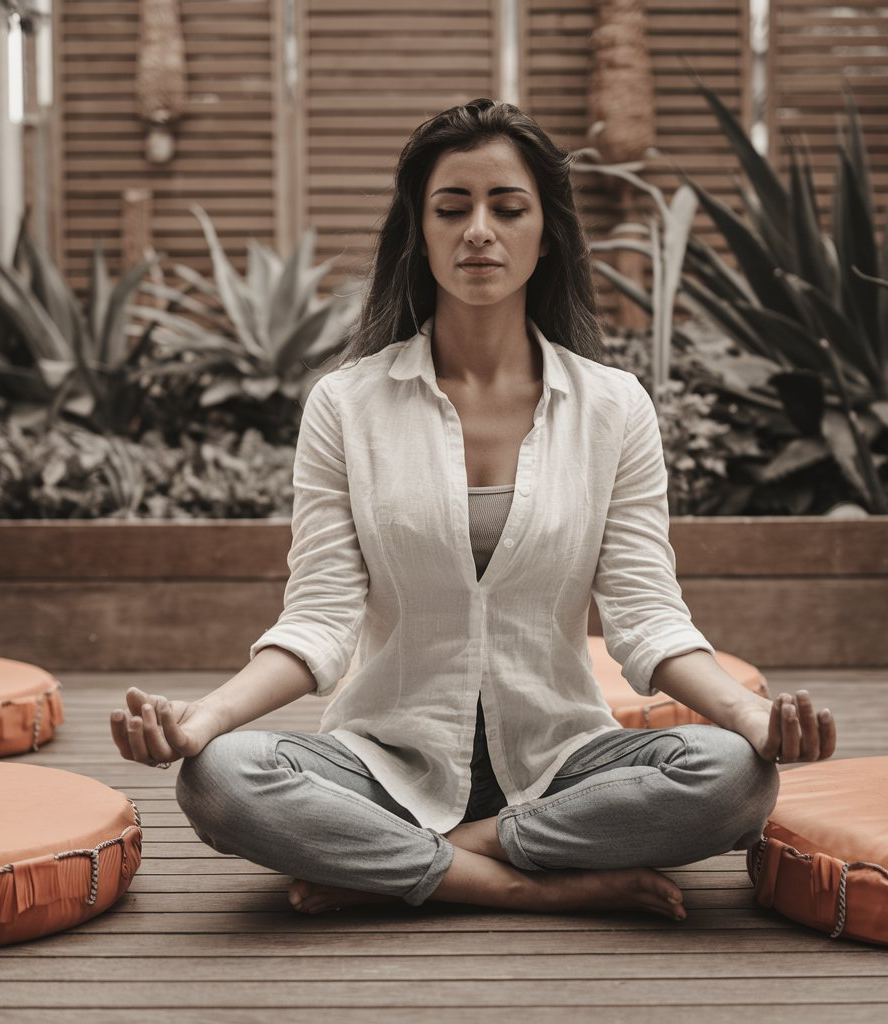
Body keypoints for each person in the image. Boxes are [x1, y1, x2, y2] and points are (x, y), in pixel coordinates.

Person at [110, 99, 836, 920]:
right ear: (420, 233)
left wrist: (752, 716)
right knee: (221, 781)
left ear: (546, 232)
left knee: (735, 778)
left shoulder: (613, 407)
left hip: (563, 759)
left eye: (507, 207)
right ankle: (534, 886)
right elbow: (318, 621)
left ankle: (438, 860)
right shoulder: (346, 405)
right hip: (383, 763)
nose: (479, 231)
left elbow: (645, 616)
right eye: (451, 208)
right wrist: (201, 720)